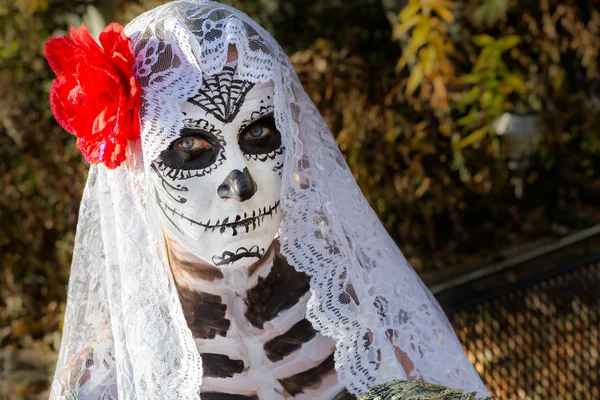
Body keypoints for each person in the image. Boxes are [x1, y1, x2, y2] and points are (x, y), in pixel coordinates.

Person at [46, 1, 490, 399]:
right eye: (190, 148)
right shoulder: (111, 375)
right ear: (137, 165)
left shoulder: (356, 308)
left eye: (259, 133)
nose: (239, 185)